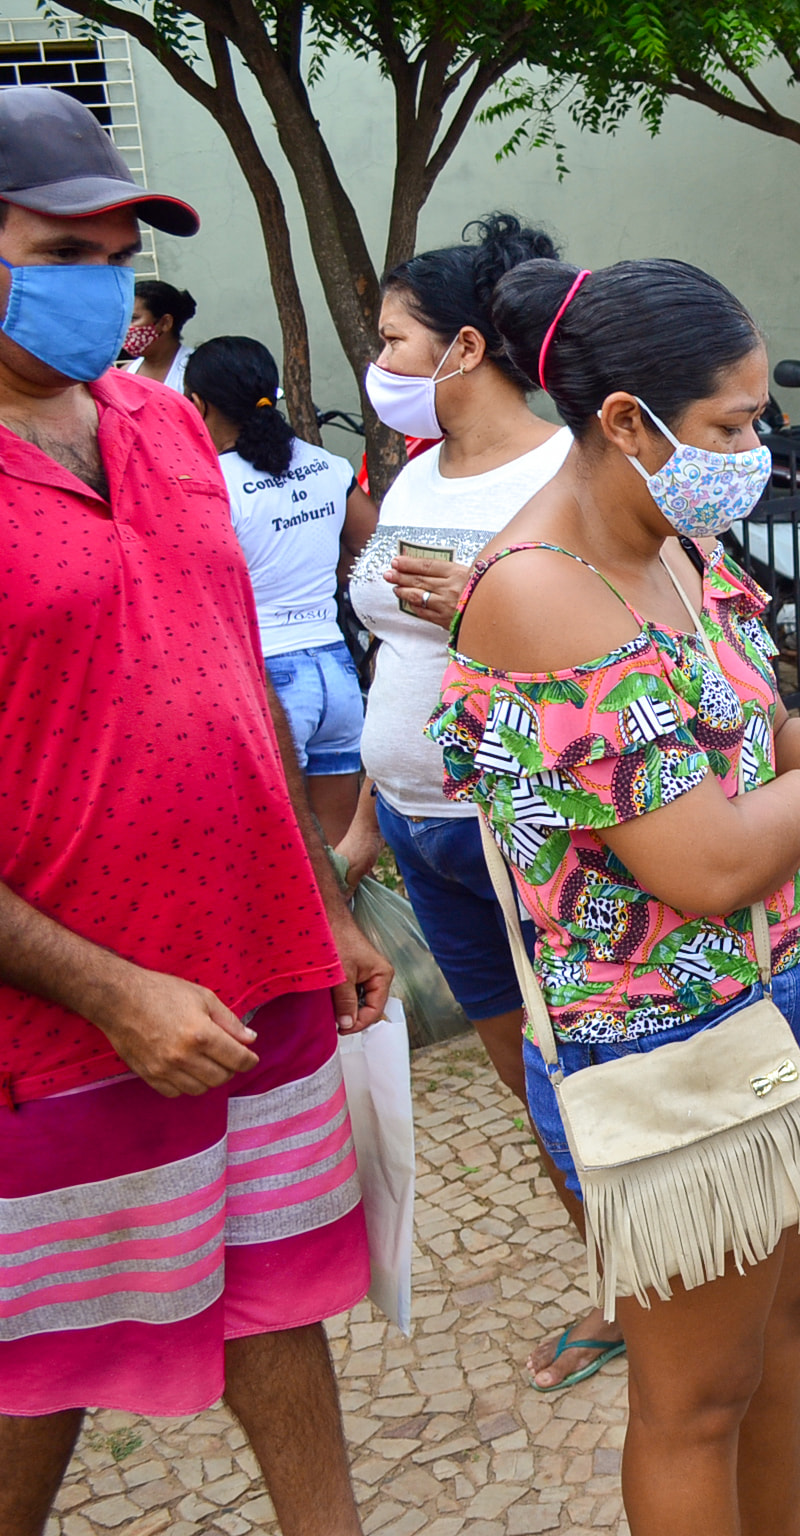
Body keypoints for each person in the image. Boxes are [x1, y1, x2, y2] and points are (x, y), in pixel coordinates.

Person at [430, 254, 800, 1535]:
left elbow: (766, 740)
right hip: (667, 1045)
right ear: (626, 420)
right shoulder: (539, 595)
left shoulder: (679, 550)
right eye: (731, 424)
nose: (755, 445)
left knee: (781, 1339)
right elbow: (711, 859)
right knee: (694, 1398)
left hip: (776, 1006)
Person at [0, 86, 391, 1536]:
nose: (102, 286)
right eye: (62, 248)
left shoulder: (163, 429)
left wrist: (325, 899)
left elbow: (240, 684)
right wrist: (111, 994)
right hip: (62, 1034)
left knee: (272, 1294)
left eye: (118, 254)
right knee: (45, 1359)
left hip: (258, 975)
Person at [331, 212, 619, 1390]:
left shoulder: (569, 469)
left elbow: (626, 642)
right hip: (419, 829)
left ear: (461, 347)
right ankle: (621, 1286)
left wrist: (486, 602)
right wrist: (360, 829)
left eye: (395, 341)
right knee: (524, 1083)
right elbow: (393, 665)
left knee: (587, 1077)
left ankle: (694, 1312)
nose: (381, 362)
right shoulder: (413, 470)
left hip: (527, 831)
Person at [188, 336, 376, 844]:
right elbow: (368, 553)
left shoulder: (210, 484)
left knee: (276, 851)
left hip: (265, 679)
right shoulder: (327, 466)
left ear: (199, 404)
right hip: (336, 672)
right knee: (338, 851)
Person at [117, 275, 196, 389]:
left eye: (133, 319)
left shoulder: (196, 371)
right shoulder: (126, 373)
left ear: (165, 323)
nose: (124, 327)